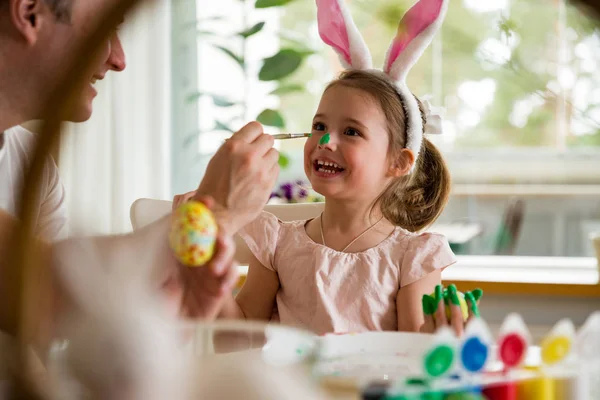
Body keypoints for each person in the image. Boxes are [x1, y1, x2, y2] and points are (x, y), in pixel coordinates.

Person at [0, 0, 279, 346]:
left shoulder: (34, 166)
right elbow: (43, 294)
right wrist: (210, 213)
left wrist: (173, 316)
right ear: (30, 13)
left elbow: (65, 337)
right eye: (106, 29)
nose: (119, 60)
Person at [218, 0, 480, 336]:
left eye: (351, 132)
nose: (325, 141)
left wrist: (444, 331)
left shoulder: (412, 257)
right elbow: (239, 336)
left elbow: (414, 354)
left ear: (398, 162)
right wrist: (204, 272)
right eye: (319, 126)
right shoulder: (277, 242)